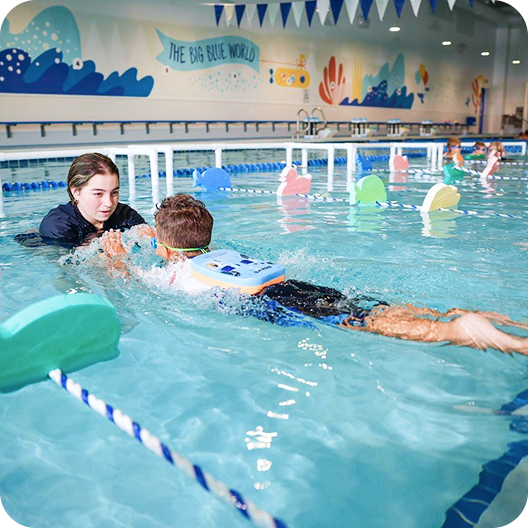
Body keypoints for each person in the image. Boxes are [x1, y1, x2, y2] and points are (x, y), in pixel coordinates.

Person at [101, 194, 528, 357]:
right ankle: (466, 316)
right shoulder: (224, 256)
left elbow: (132, 286)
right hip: (292, 286)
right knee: (374, 309)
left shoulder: (173, 278)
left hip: (274, 302)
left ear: (164, 246)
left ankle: (458, 331)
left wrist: (116, 258)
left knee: (371, 325)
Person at [39, 153, 148, 245]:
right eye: (98, 194)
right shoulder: (58, 226)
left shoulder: (125, 215)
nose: (109, 203)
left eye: (114, 192)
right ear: (76, 192)